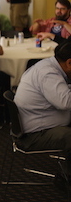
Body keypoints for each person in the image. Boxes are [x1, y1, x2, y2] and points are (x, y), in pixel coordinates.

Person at [14, 41, 71, 179]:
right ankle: (67, 178)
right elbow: (66, 102)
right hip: (33, 135)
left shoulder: (49, 65)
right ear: (69, 63)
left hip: (35, 123)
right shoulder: (48, 73)